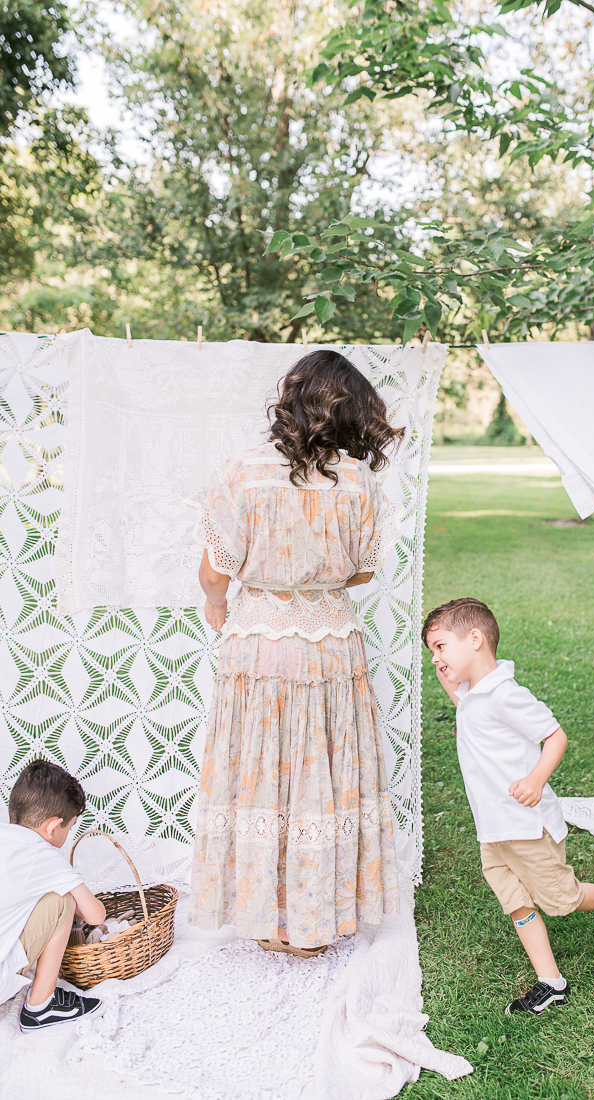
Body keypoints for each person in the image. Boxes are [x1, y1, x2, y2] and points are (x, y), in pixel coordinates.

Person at [188, 350, 402, 955]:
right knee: (322, 780)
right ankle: (317, 916)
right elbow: (362, 573)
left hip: (257, 645)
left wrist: (219, 606)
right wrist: (314, 577)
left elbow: (214, 570)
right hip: (331, 645)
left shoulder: (243, 472)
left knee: (260, 777)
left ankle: (268, 915)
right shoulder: (359, 480)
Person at [423, 597, 594, 1016]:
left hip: (525, 826)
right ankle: (551, 981)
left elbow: (555, 736)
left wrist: (535, 779)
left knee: (561, 900)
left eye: (440, 647)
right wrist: (446, 672)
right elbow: (460, 696)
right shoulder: (473, 695)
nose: (435, 658)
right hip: (493, 831)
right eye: (431, 651)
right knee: (517, 904)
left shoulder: (506, 694)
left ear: (475, 639)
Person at [0, 759, 106, 1030]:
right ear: (52, 827)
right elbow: (96, 914)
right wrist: (71, 886)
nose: (68, 835)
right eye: (69, 829)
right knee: (62, 901)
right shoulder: (42, 853)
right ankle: (40, 1007)